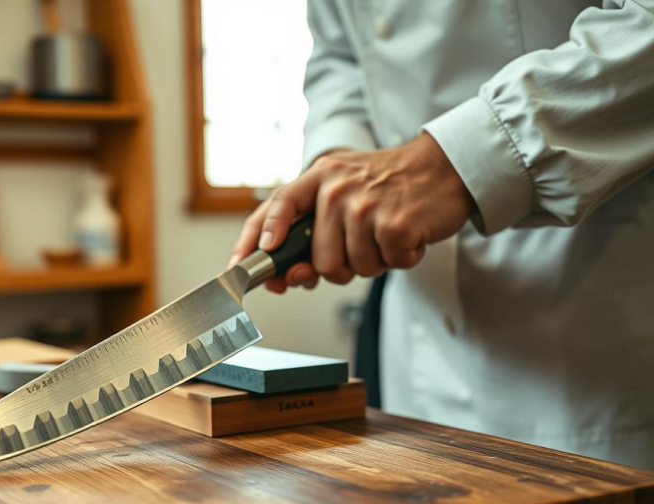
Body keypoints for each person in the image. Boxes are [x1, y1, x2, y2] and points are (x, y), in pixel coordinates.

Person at [231, 0, 654, 469]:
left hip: (595, 324)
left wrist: (461, 160)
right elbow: (340, 57)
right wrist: (340, 163)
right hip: (414, 349)